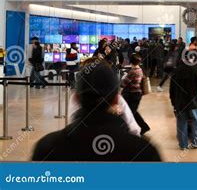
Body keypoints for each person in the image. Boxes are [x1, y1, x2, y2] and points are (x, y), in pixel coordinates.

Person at [32, 58, 161, 161]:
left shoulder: (47, 149)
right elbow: (134, 129)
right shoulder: (145, 153)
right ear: (116, 99)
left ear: (76, 98)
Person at [170, 50, 197, 150]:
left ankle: (183, 144)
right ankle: (196, 142)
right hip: (193, 102)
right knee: (196, 121)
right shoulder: (196, 70)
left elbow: (172, 89)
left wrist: (173, 102)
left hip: (180, 102)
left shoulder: (176, 71)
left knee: (181, 122)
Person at [121, 53, 150, 136]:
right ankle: (143, 127)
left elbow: (123, 84)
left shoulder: (132, 72)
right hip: (138, 94)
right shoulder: (140, 69)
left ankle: (142, 127)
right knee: (133, 111)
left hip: (132, 94)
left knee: (131, 112)